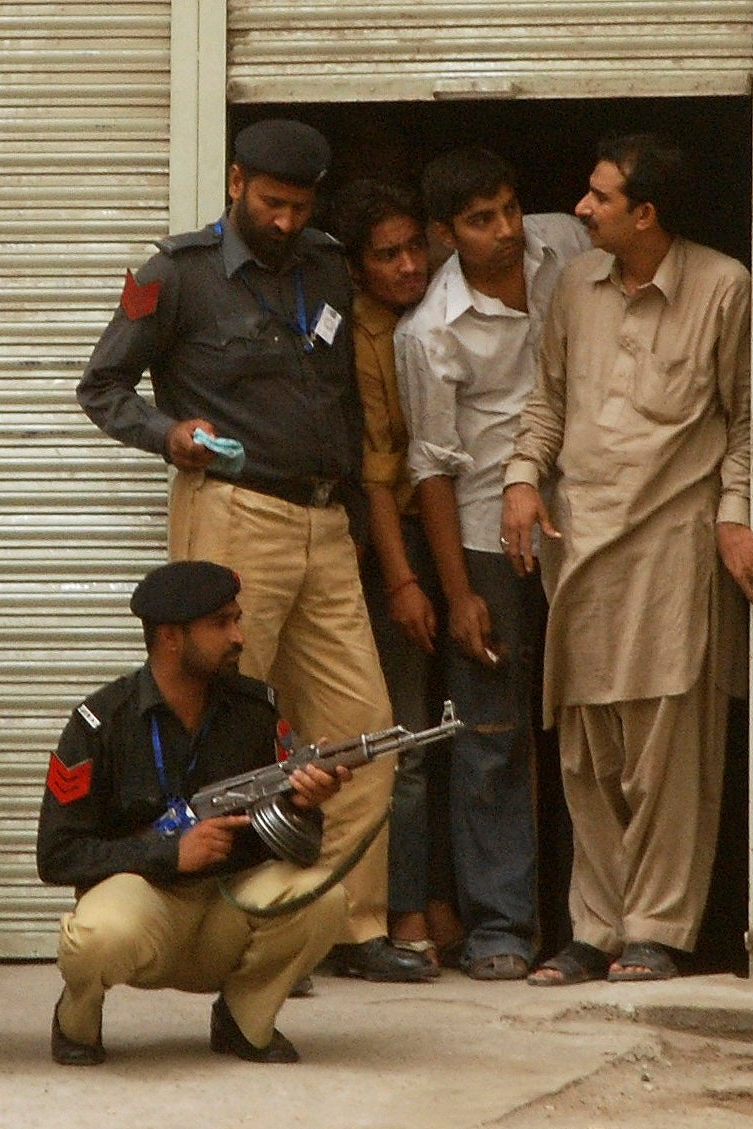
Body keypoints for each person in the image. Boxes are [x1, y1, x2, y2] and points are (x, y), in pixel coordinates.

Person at [77, 118, 428, 983]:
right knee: (226, 734)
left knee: (360, 732)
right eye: (271, 202)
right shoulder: (177, 274)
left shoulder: (325, 263)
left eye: (298, 205)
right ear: (235, 182)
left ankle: (338, 927)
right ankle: (231, 930)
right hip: (234, 516)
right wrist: (170, 436)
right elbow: (102, 387)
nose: (283, 220)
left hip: (325, 522)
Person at [503, 133, 753, 986]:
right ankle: (593, 929)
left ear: (645, 213)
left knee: (668, 749)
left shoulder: (723, 287)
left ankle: (655, 929)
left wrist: (733, 521)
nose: (580, 210)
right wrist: (521, 479)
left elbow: (745, 424)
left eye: (598, 198)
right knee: (587, 752)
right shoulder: (573, 288)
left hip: (672, 545)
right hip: (579, 547)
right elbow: (545, 402)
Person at [395, 148, 591, 981]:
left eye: (509, 208)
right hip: (486, 540)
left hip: (588, 525)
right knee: (491, 739)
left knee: (594, 727)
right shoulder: (428, 331)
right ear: (445, 234)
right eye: (480, 220)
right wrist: (459, 590)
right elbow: (430, 467)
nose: (505, 231)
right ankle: (499, 929)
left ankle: (597, 924)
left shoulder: (567, 244)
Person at [37, 560, 350, 1064]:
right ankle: (77, 1020)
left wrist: (304, 804)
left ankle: (245, 1021)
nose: (239, 637)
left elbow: (300, 848)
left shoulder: (255, 710)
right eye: (221, 623)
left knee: (324, 897)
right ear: (171, 638)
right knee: (97, 939)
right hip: (146, 905)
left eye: (237, 619)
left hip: (227, 907)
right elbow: (56, 855)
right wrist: (168, 854)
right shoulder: (101, 724)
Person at [331, 178, 463, 969]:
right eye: (388, 256)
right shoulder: (357, 337)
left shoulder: (436, 308)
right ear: (355, 267)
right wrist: (402, 581)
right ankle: (403, 909)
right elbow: (378, 470)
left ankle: (440, 897)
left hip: (455, 533)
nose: (409, 265)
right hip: (392, 544)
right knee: (404, 738)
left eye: (417, 246)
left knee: (456, 735)